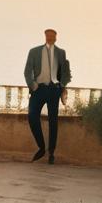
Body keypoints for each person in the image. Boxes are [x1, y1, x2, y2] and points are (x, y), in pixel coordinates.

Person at [23, 28, 71, 164]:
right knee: (32, 115)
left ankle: (51, 153)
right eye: (48, 35)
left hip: (53, 90)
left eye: (52, 36)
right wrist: (33, 85)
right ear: (45, 36)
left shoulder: (61, 53)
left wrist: (61, 87)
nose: (50, 38)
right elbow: (27, 72)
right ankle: (41, 147)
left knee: (53, 121)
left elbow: (66, 72)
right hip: (38, 89)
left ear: (56, 38)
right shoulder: (34, 51)